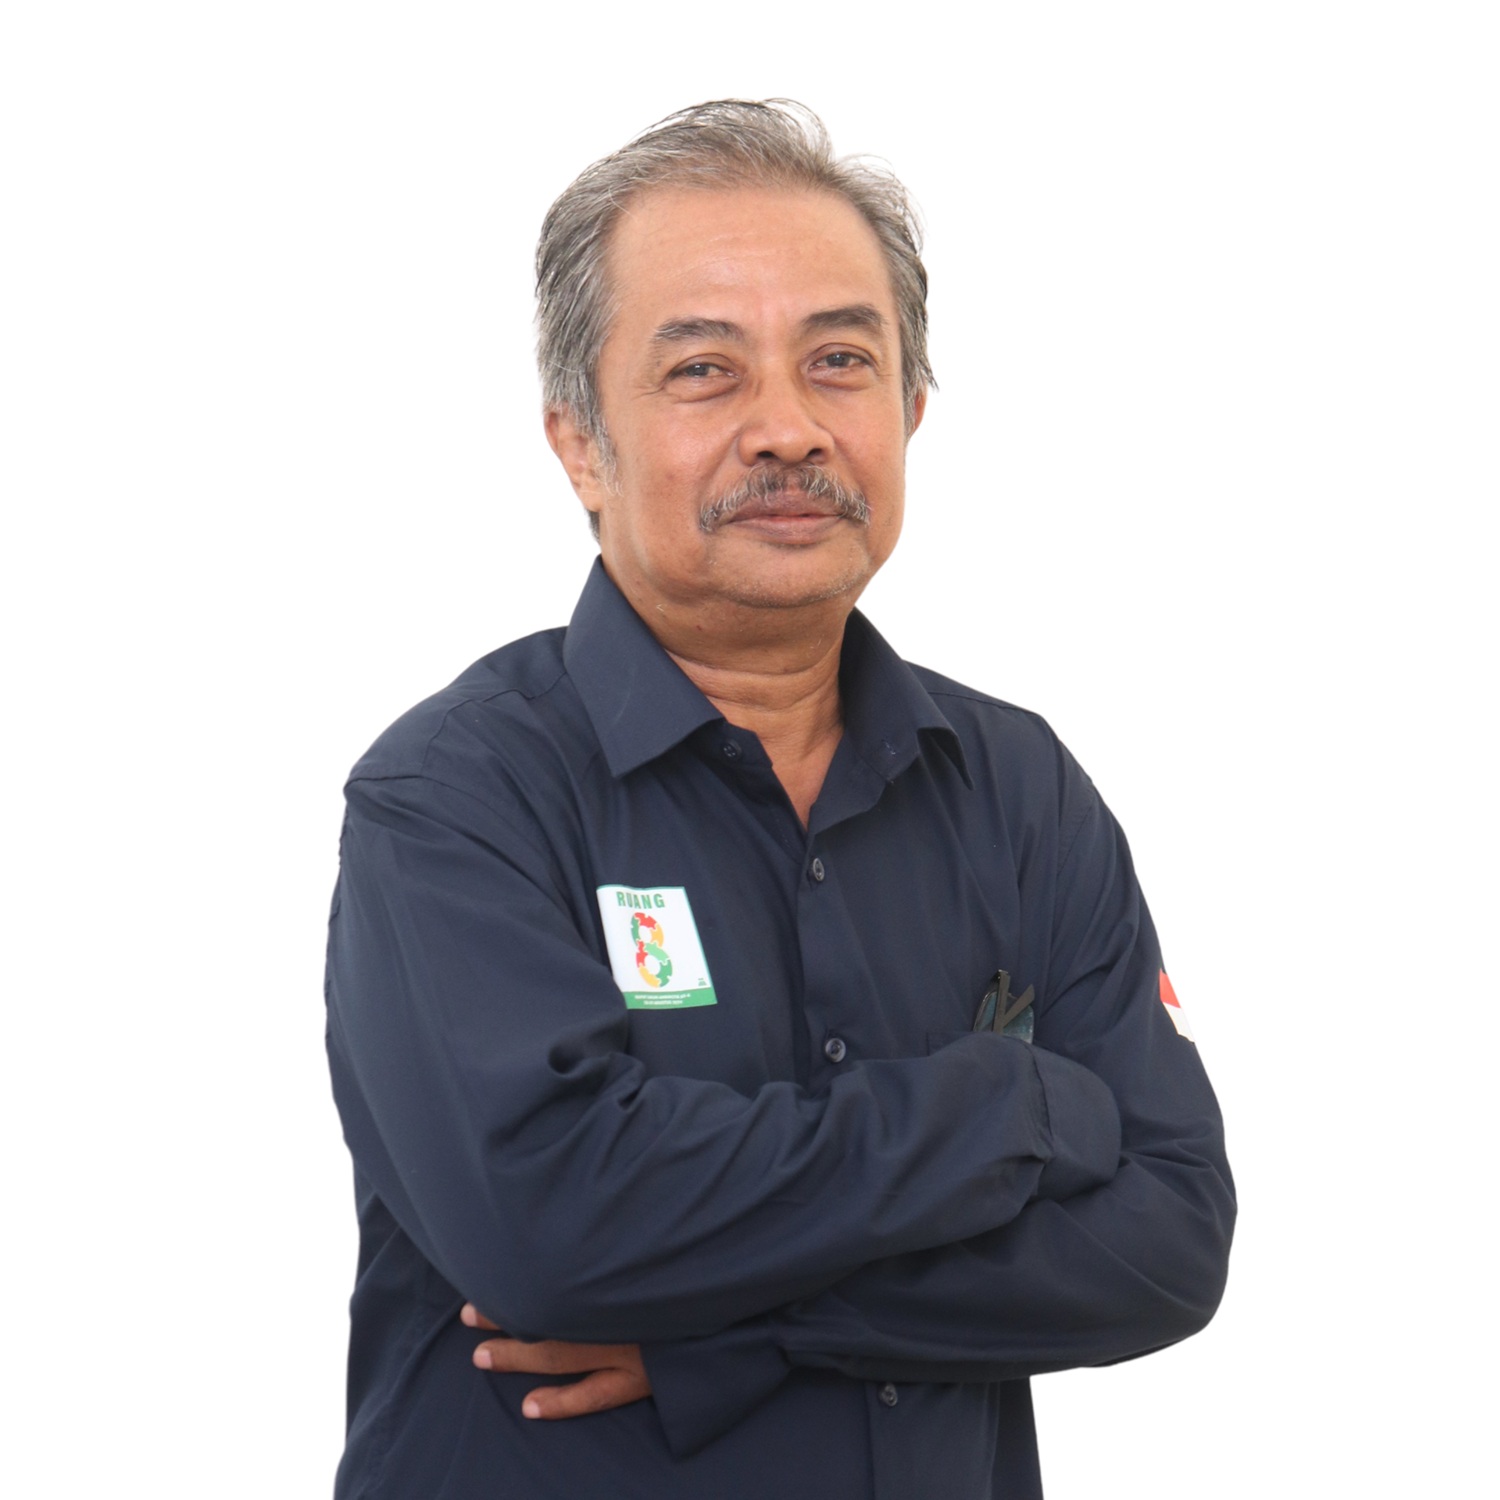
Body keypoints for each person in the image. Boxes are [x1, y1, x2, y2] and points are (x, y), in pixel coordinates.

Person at [325, 99, 1234, 1500]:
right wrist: (1010, 1107)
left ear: (910, 413)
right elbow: (552, 1230)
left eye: (840, 362)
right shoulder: (457, 796)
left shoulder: (1020, 788)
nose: (788, 429)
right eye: (703, 370)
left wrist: (740, 1335)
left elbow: (1168, 1239)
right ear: (580, 444)